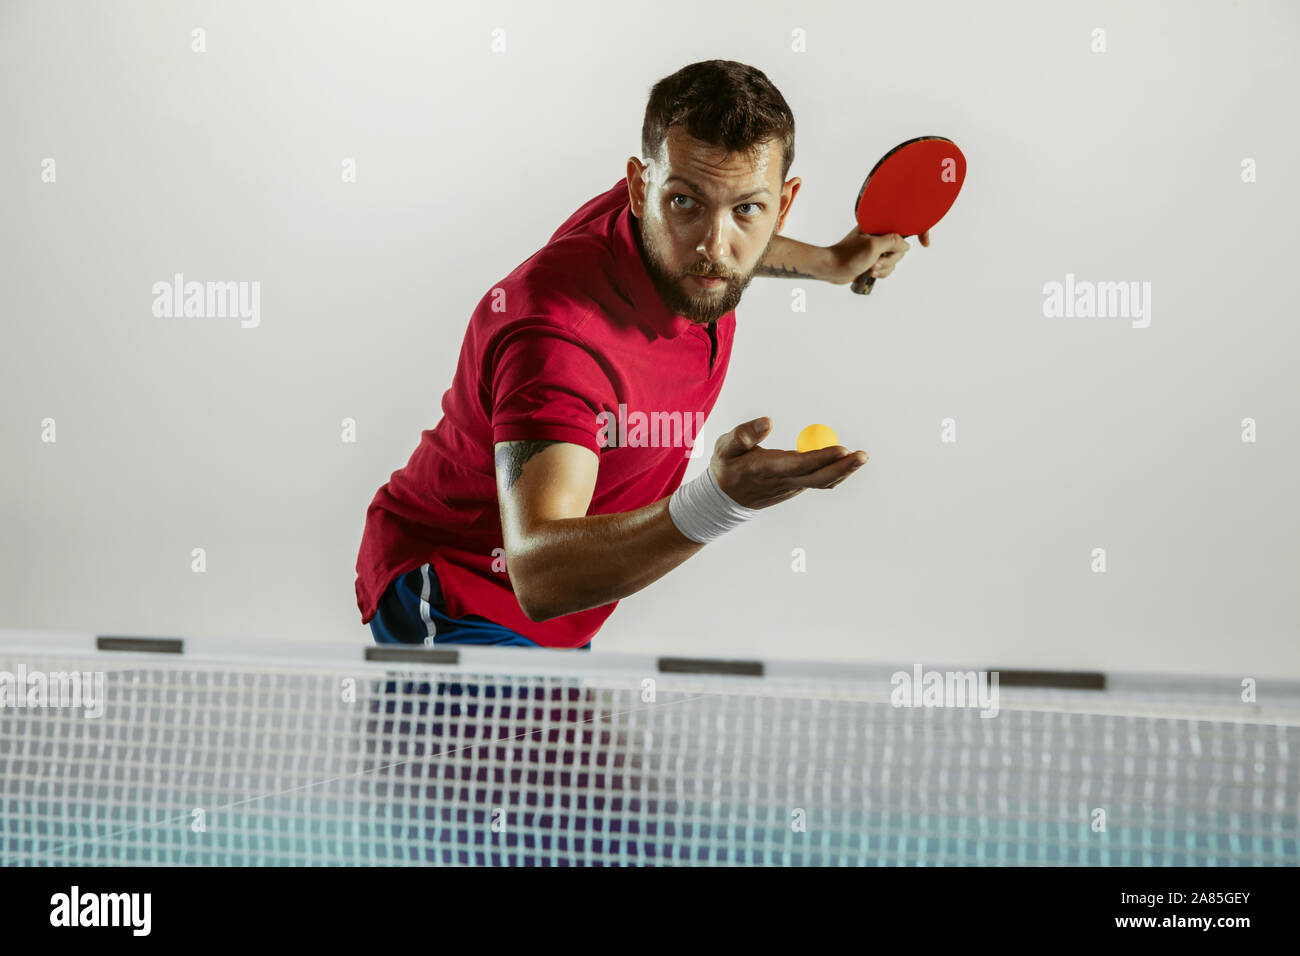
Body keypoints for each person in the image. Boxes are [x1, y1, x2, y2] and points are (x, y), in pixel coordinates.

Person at [355, 59, 923, 649]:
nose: (713, 245)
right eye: (685, 203)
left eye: (746, 209)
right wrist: (721, 502)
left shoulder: (687, 238)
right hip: (458, 596)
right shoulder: (559, 338)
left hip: (566, 610)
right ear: (639, 187)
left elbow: (721, 227)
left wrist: (830, 263)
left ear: (782, 206)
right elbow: (539, 574)